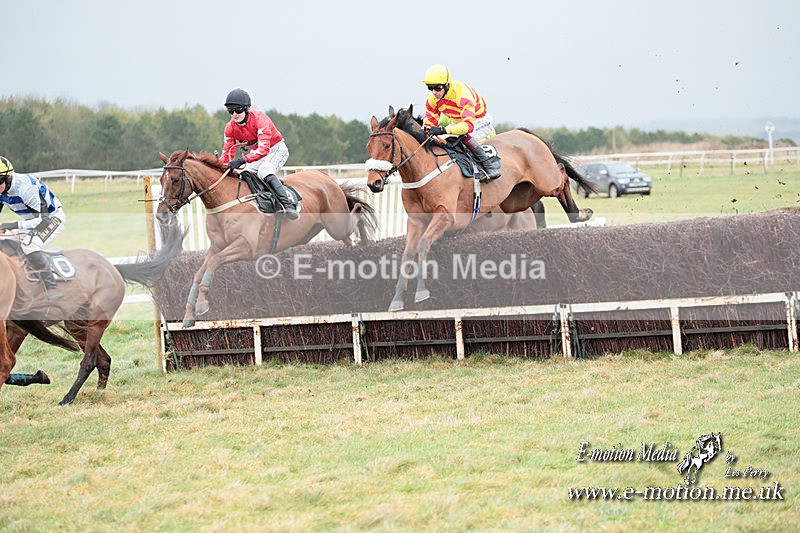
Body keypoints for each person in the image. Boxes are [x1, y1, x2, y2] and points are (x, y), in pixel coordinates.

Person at [219, 88, 299, 220]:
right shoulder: (230, 127)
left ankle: (287, 204)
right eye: (230, 111)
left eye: (238, 110)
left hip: (276, 149)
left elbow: (263, 150)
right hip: (257, 153)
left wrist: (242, 160)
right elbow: (227, 152)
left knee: (264, 170)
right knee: (242, 173)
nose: (234, 114)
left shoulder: (260, 119)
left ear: (246, 108)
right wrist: (219, 166)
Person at [0, 155, 66, 299]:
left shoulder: (25, 187)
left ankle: (51, 288)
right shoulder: (1, 190)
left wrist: (14, 225)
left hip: (52, 219)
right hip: (32, 222)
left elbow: (44, 220)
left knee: (30, 245)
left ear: (8, 177)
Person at [422, 64, 501, 180]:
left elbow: (468, 126)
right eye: (430, 88)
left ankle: (490, 168)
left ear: (447, 85)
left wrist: (443, 129)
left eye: (437, 88)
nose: (434, 92)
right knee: (439, 140)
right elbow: (430, 120)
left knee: (463, 136)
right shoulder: (432, 99)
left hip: (479, 120)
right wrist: (427, 130)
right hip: (458, 122)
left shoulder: (461, 93)